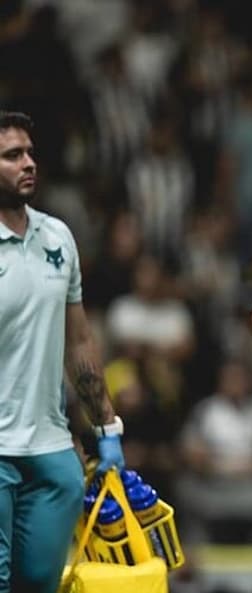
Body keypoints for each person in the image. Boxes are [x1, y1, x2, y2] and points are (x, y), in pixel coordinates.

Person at [0, 111, 126, 593]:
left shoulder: (59, 237)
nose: (28, 163)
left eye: (30, 153)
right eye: (13, 156)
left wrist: (106, 426)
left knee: (40, 587)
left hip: (52, 454)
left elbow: (78, 341)